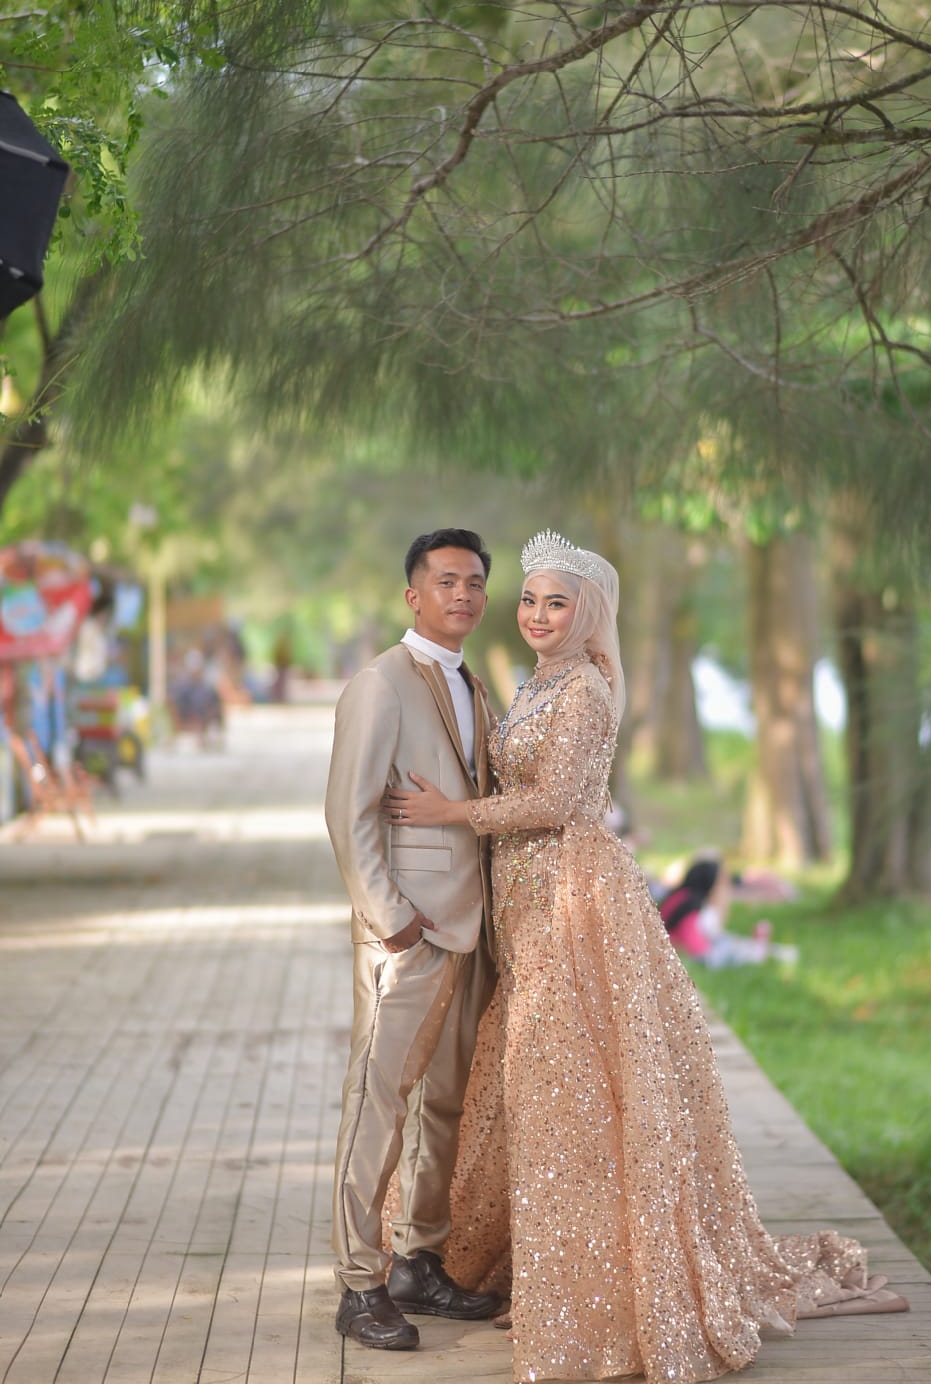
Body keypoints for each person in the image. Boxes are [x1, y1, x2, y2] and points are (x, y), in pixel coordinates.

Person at [383, 530, 906, 1384]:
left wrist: (450, 814)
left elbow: (560, 802)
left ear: (589, 614)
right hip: (525, 902)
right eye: (530, 600)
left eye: (557, 603)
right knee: (543, 1088)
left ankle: (592, 1291)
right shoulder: (540, 681)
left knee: (572, 1092)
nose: (537, 615)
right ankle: (553, 1271)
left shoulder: (586, 688)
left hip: (572, 902)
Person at [324, 528, 501, 1352]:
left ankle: (417, 1263)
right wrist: (388, 918)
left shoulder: (473, 681)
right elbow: (349, 810)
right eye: (446, 581)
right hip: (405, 934)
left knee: (443, 1106)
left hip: (469, 930)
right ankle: (359, 1284)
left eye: (475, 583)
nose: (462, 594)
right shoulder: (380, 684)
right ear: (413, 595)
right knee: (377, 1102)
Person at [660, 853, 799, 968]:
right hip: (697, 953)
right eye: (721, 883)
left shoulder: (681, 896)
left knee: (735, 944)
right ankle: (768, 953)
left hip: (692, 948)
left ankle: (770, 952)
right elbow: (699, 950)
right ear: (710, 882)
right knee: (735, 949)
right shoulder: (691, 906)